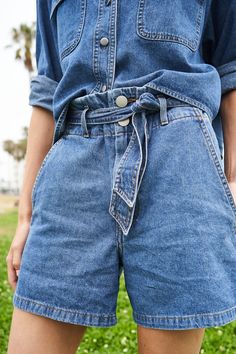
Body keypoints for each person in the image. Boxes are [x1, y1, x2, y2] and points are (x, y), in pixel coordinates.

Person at [6, 0, 236, 353]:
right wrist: (25, 217)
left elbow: (231, 70)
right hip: (75, 157)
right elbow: (49, 88)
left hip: (176, 159)